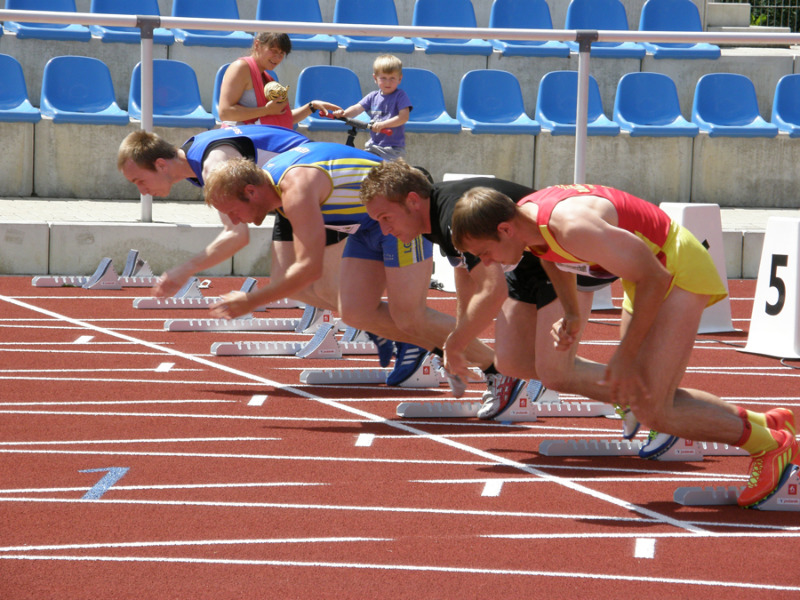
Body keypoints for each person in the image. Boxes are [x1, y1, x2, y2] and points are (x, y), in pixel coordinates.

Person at [450, 182, 798, 508]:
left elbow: (655, 278)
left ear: (505, 230)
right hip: (649, 276)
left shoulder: (572, 227)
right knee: (647, 397)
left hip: (675, 272)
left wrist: (625, 355)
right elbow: (549, 256)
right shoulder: (527, 221)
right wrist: (571, 312)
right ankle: (769, 424)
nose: (489, 263)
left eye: (485, 252)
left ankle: (772, 446)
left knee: (653, 408)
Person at [202, 143, 517, 407]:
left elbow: (308, 267)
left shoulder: (294, 189)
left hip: (398, 220)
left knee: (409, 316)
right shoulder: (273, 181)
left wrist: (251, 300)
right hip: (367, 228)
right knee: (354, 312)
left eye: (232, 210)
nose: (233, 220)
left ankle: (499, 370)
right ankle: (447, 352)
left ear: (250, 191)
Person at [359, 160, 609, 419]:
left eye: (386, 218)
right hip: (524, 264)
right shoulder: (434, 215)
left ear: (412, 201)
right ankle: (621, 390)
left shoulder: (452, 213)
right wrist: (458, 334)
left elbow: (492, 290)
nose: (384, 230)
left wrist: (455, 344)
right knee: (511, 363)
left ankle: (641, 396)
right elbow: (464, 273)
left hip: (564, 258)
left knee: (555, 372)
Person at [117, 125, 312, 298]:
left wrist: (183, 270)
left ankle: (335, 318)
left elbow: (237, 235)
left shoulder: (213, 168)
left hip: (311, 176)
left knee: (313, 277)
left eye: (140, 181)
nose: (142, 191)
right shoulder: (193, 153)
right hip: (289, 186)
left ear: (160, 165)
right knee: (285, 283)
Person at [217, 32, 340, 128]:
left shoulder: (268, 78)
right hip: (240, 139)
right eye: (274, 51)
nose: (278, 57)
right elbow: (225, 113)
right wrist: (265, 111)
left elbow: (281, 118)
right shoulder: (241, 67)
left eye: (282, 53)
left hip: (258, 138)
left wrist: (312, 107)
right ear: (257, 45)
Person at [332, 54, 411, 161]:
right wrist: (343, 114)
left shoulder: (400, 95)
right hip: (373, 146)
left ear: (399, 79)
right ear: (375, 78)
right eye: (383, 78)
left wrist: (383, 125)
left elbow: (403, 117)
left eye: (392, 78)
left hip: (392, 149)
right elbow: (357, 108)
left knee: (388, 176)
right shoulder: (373, 96)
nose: (388, 82)